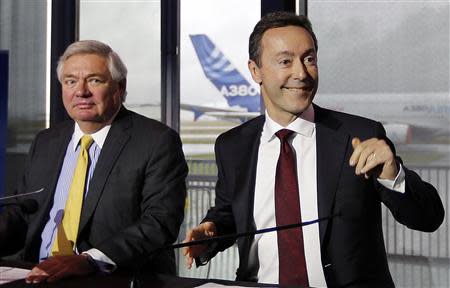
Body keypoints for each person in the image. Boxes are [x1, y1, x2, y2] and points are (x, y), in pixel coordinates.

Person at [183, 12, 444, 287]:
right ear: (255, 70)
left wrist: (394, 176)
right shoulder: (233, 146)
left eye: (309, 59)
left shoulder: (360, 137)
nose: (301, 73)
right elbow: (229, 214)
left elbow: (428, 218)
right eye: (285, 61)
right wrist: (209, 233)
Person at [0, 40, 188, 283]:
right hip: (36, 274)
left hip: (113, 278)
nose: (81, 91)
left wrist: (88, 260)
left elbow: (159, 223)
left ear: (120, 87)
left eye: (94, 80)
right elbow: (23, 213)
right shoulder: (47, 141)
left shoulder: (156, 141)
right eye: (70, 81)